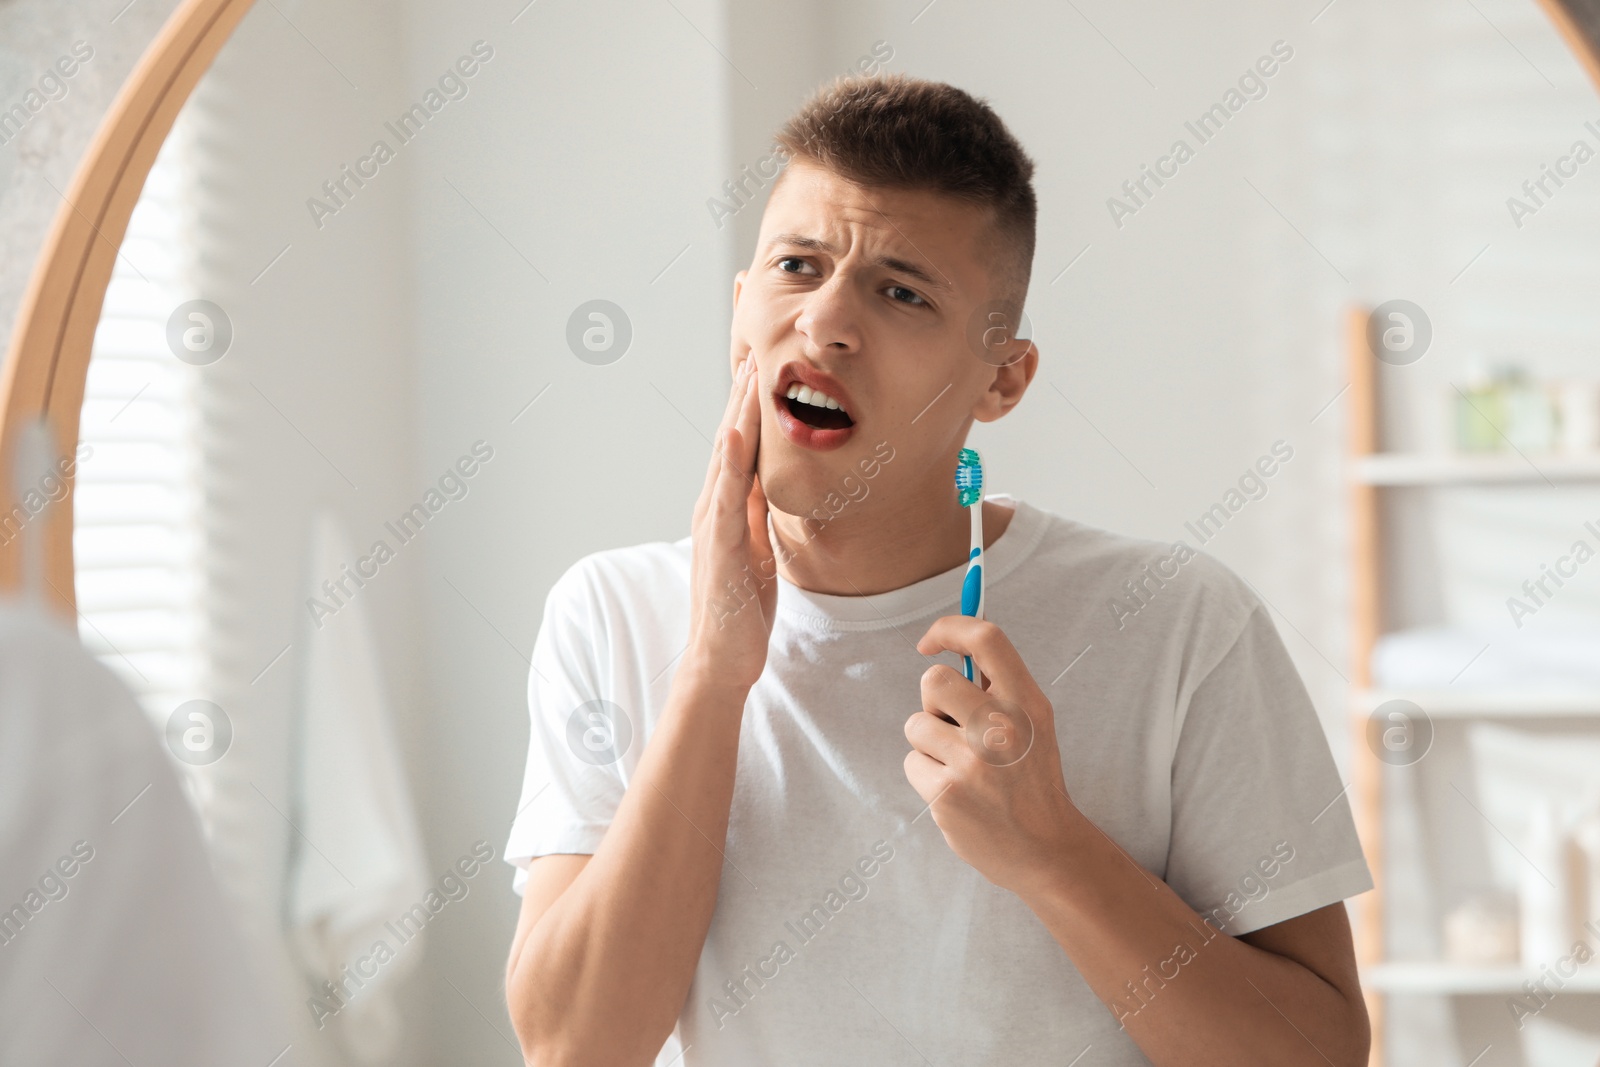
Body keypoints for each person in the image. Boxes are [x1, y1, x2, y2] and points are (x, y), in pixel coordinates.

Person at [503, 72, 1373, 1066]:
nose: (825, 321)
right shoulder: (610, 613)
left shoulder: (1180, 623)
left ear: (1001, 376)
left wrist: (1053, 851)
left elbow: (1319, 1056)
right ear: (740, 311)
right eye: (797, 265)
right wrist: (709, 670)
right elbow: (576, 1046)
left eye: (899, 289)